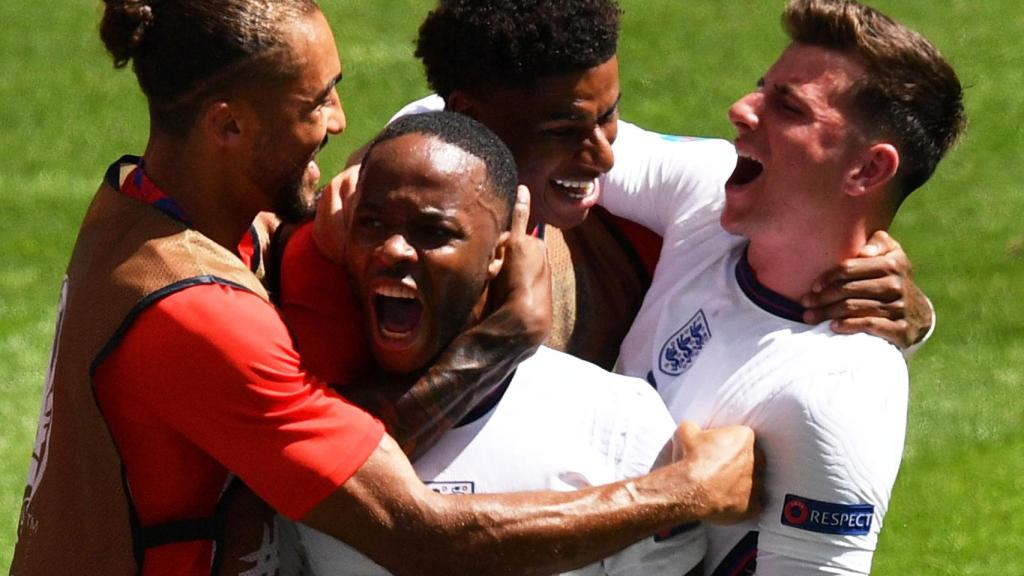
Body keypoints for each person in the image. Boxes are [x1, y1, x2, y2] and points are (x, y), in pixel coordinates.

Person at [11, 1, 758, 575]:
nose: (340, 124)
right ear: (228, 125)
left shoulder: (138, 205)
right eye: (316, 103)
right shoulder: (201, 315)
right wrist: (682, 493)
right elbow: (412, 533)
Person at [319, 0, 935, 372]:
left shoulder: (700, 191)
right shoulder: (363, 246)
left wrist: (911, 314)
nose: (604, 153)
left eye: (610, 114)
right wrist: (393, 166)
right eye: (566, 128)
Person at [609, 0, 966, 573]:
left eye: (788, 107)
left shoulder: (837, 390)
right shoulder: (705, 192)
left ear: (867, 171)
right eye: (761, 88)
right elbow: (506, 126)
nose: (741, 110)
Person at [287, 110, 708, 575]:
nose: (394, 249)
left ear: (499, 254)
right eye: (371, 223)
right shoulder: (289, 414)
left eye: (434, 232)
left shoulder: (621, 425)